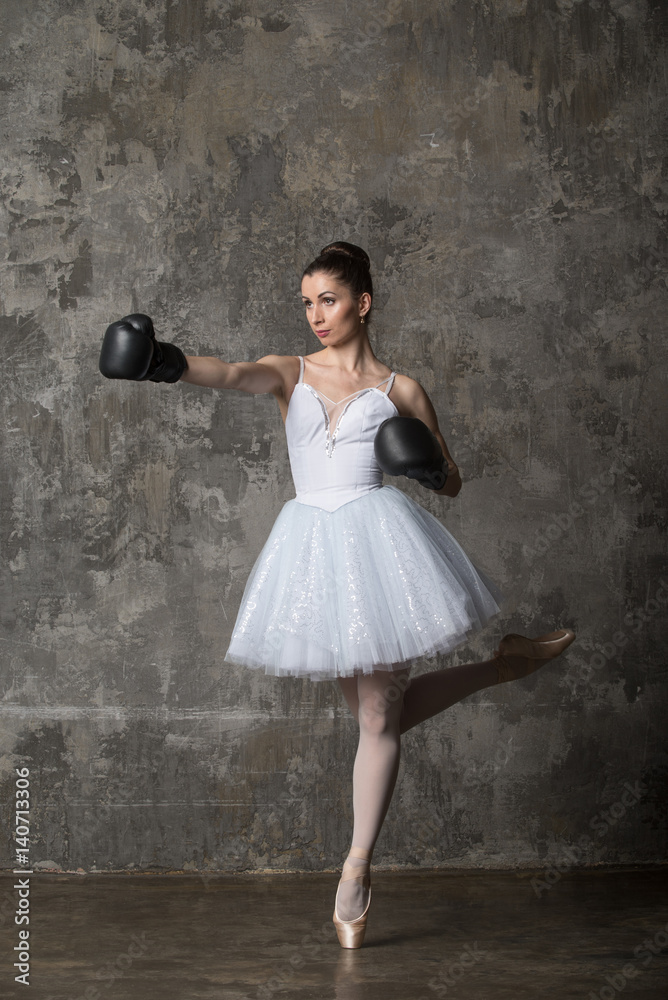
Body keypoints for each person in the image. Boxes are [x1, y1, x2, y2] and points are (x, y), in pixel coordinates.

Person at [99, 240, 575, 949]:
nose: (315, 315)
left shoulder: (400, 390)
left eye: (327, 299)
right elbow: (230, 373)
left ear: (363, 302)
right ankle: (500, 667)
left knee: (380, 714)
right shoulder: (291, 372)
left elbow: (453, 482)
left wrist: (426, 468)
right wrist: (164, 361)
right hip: (314, 553)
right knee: (380, 717)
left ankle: (356, 868)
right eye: (307, 302)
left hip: (380, 542)